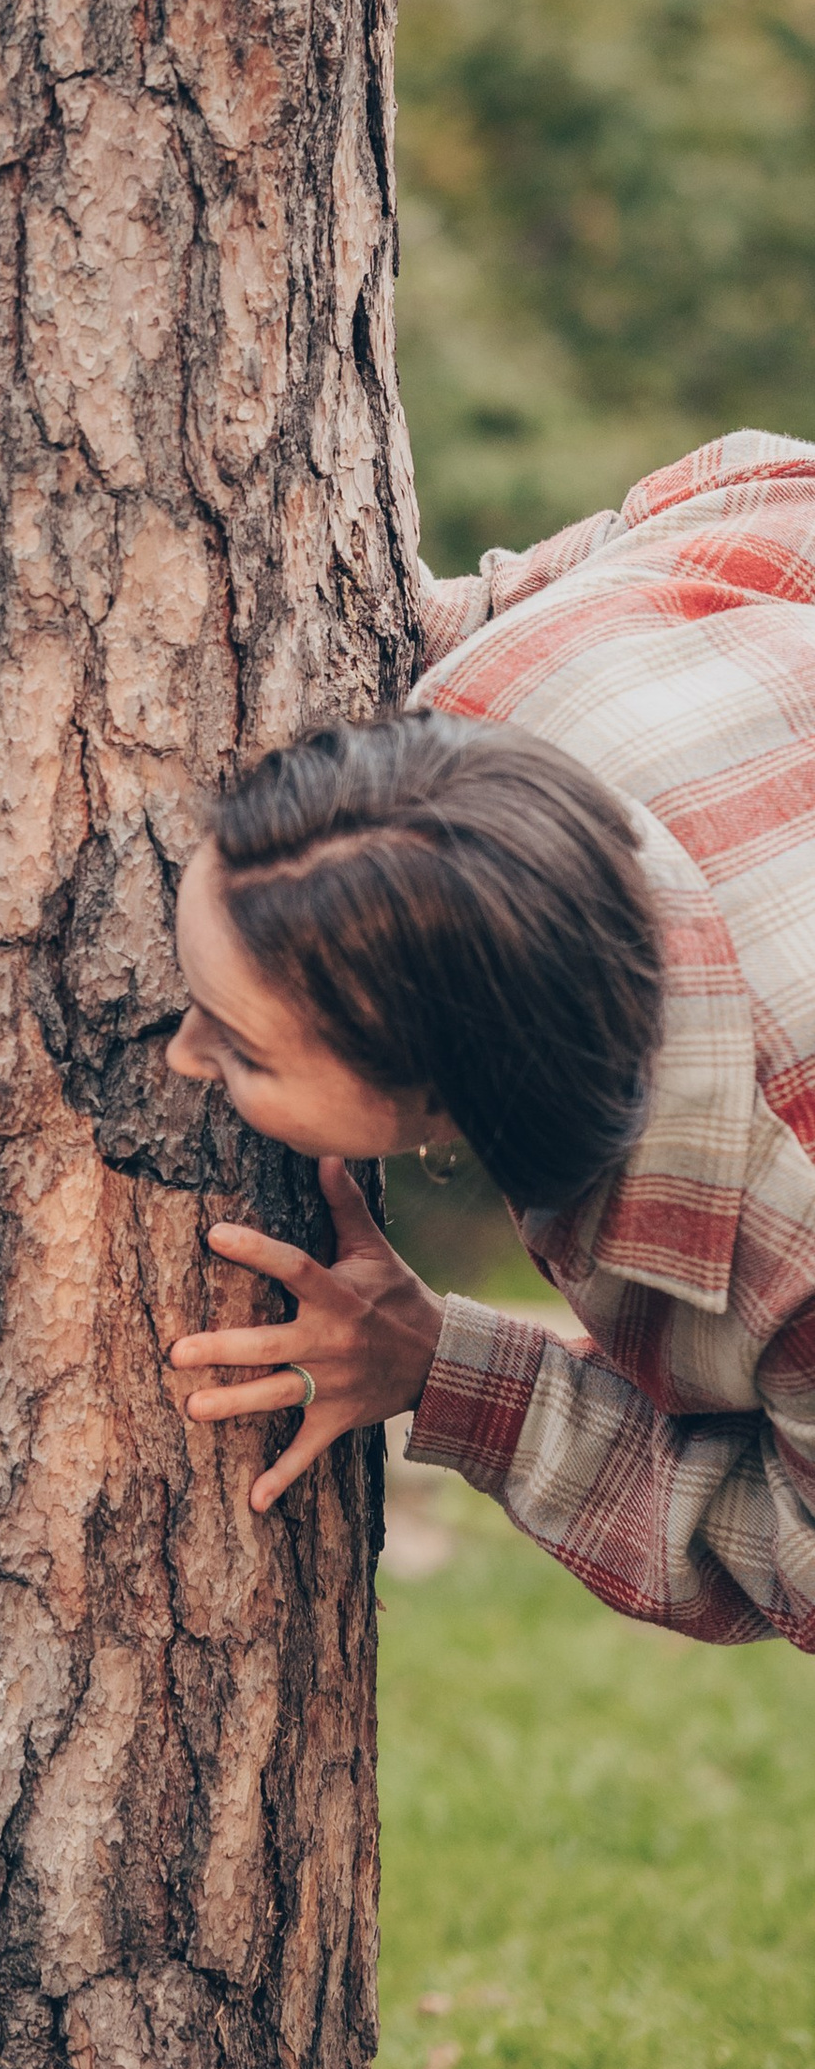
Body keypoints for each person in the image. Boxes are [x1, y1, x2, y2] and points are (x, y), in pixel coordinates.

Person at [162, 430, 815, 1655]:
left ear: (448, 1090)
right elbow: (772, 479)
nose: (181, 1055)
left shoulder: (795, 1239)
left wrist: (453, 1371)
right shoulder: (502, 676)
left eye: (241, 1048)